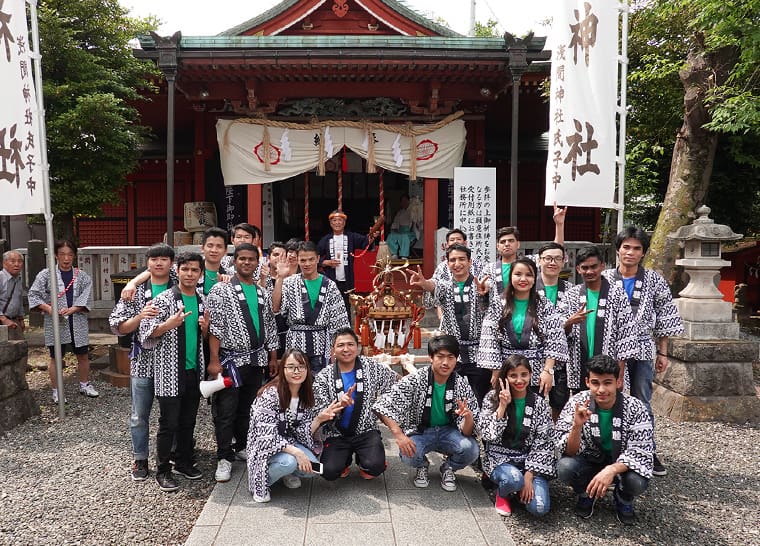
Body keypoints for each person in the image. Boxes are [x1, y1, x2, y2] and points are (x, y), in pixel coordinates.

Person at [602, 226, 684, 476]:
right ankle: (606, 447)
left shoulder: (653, 280)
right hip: (609, 346)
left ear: (643, 253)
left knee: (641, 399)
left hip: (641, 347)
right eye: (626, 247)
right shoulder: (604, 277)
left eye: (636, 248)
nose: (630, 252)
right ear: (618, 250)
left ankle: (646, 450)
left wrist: (663, 352)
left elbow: (665, 315)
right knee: (605, 397)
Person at [206, 243, 279, 483]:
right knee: (226, 409)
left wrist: (273, 356)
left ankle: (242, 447)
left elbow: (269, 326)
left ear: (258, 263)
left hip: (256, 359)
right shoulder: (220, 290)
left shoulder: (262, 292)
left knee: (249, 408)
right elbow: (215, 327)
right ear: (234, 261)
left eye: (251, 259)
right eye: (242, 259)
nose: (247, 263)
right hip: (230, 360)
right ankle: (223, 457)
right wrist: (215, 360)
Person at [139, 252, 209, 492]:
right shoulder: (164, 299)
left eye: (194, 270)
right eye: (185, 269)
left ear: (201, 274)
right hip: (169, 371)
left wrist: (207, 328)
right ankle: (162, 470)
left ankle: (183, 461)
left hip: (193, 368)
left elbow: (206, 337)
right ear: (177, 271)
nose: (189, 274)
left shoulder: (202, 299)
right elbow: (145, 334)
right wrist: (168, 325)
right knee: (168, 422)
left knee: (189, 420)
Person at [555, 354, 654, 525]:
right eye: (595, 383)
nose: (601, 390)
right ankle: (586, 493)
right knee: (564, 467)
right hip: (590, 461)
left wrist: (611, 470)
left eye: (607, 383)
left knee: (637, 481)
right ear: (587, 382)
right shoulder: (577, 402)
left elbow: (641, 451)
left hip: (621, 466)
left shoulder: (635, 407)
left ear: (618, 382)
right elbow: (568, 450)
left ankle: (623, 498)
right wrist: (577, 426)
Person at [373, 334, 480, 492]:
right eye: (440, 357)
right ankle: (422, 465)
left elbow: (467, 431)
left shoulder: (461, 384)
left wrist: (468, 417)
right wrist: (399, 434)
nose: (445, 362)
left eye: (451, 357)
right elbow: (381, 405)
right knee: (408, 453)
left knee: (471, 450)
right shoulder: (416, 379)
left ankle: (448, 467)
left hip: (449, 432)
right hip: (420, 431)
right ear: (431, 357)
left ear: (457, 359)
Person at [108, 243, 175, 481]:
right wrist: (139, 315)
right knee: (139, 413)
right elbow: (118, 326)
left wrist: (133, 280)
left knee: (171, 413)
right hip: (143, 360)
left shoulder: (178, 283)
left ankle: (169, 456)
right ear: (147, 262)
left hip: (172, 359)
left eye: (164, 259)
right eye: (154, 259)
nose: (158, 263)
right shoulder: (135, 292)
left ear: (171, 263)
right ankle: (140, 458)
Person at [246, 349, 343, 503]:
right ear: (282, 369)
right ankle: (262, 479)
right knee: (289, 462)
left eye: (301, 367)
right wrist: (298, 453)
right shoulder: (270, 395)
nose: (296, 371)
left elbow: (301, 432)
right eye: (291, 367)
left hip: (290, 442)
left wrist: (318, 419)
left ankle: (286, 473)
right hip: (264, 447)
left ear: (307, 370)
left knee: (315, 468)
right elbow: (266, 437)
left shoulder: (305, 395)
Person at [409, 244, 492, 405]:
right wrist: (424, 283)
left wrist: (484, 293)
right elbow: (434, 287)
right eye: (452, 260)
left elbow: (489, 306)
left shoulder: (480, 284)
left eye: (462, 259)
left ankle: (476, 429)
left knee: (480, 396)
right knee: (451, 396)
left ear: (470, 262)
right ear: (447, 264)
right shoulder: (446, 285)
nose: (457, 263)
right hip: (452, 353)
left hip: (480, 352)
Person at [313, 328, 398, 481]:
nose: (346, 349)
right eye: (340, 345)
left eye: (350, 344)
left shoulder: (371, 367)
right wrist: (339, 406)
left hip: (366, 431)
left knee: (375, 467)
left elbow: (394, 381)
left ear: (357, 347)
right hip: (336, 434)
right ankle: (343, 462)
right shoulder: (323, 377)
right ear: (333, 349)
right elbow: (319, 410)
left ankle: (363, 460)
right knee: (328, 472)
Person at [477, 258, 569, 399]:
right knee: (506, 408)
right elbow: (489, 337)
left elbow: (555, 338)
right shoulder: (498, 303)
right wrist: (496, 370)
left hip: (536, 370)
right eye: (518, 274)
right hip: (507, 368)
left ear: (535, 278)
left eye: (529, 275)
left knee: (533, 410)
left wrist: (548, 371)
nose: (523, 279)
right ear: (511, 277)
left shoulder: (544, 304)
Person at [478, 355, 555, 517]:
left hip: (529, 462)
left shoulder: (539, 403)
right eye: (513, 375)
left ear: (530, 375)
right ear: (504, 377)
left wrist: (529, 475)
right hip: (500, 459)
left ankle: (520, 487)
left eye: (524, 374)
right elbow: (486, 435)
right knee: (513, 480)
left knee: (539, 508)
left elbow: (544, 443)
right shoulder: (491, 398)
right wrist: (502, 407)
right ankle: (504, 493)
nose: (519, 380)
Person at [558, 245, 638, 395]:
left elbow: (626, 337)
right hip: (579, 366)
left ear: (602, 266)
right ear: (578, 269)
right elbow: (557, 329)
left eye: (594, 266)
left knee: (610, 410)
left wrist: (619, 375)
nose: (589, 271)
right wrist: (569, 322)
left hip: (610, 368)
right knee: (582, 410)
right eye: (585, 268)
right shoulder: (571, 295)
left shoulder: (617, 294)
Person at [28, 240, 99, 403]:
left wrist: (73, 309)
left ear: (74, 256)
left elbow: (87, 296)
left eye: (70, 254)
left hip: (77, 320)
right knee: (56, 357)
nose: (66, 258)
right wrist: (48, 309)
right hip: (55, 321)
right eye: (62, 254)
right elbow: (33, 294)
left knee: (82, 354)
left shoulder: (82, 276)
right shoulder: (45, 275)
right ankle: (56, 391)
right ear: (55, 255)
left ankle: (84, 384)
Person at [273, 240, 350, 373]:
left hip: (321, 344)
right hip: (295, 343)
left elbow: (340, 322)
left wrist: (336, 349)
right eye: (303, 260)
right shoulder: (289, 282)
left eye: (311, 259)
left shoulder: (330, 285)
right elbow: (275, 308)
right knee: (295, 384)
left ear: (318, 259)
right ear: (297, 260)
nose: (307, 264)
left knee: (320, 385)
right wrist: (280, 278)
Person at [481, 203, 567, 299]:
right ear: (497, 246)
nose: (507, 244)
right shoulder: (489, 268)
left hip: (526, 309)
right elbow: (483, 288)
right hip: (499, 311)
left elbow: (554, 251)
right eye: (503, 242)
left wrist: (559, 225)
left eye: (511, 241)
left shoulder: (529, 262)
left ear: (518, 244)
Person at [535, 242, 574, 418]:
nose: (552, 262)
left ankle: (556, 437)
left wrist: (569, 324)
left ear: (564, 261)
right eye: (548, 258)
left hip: (562, 357)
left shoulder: (571, 290)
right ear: (539, 260)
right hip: (534, 355)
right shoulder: (529, 288)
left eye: (557, 258)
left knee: (560, 401)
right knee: (532, 401)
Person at [317, 210, 376, 315]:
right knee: (330, 306)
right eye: (334, 220)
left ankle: (347, 329)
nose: (337, 223)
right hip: (331, 279)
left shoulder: (351, 237)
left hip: (347, 280)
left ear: (344, 223)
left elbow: (365, 242)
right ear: (331, 223)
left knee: (346, 306)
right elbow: (315, 256)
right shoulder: (325, 240)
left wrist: (371, 237)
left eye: (340, 220)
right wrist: (326, 262)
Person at [423, 228, 484, 319]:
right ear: (447, 245)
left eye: (458, 239)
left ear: (465, 243)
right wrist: (439, 308)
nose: (455, 241)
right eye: (452, 240)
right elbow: (436, 288)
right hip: (450, 312)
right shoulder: (441, 267)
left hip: (474, 311)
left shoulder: (478, 265)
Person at [0, 250, 25, 341]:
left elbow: (19, 300)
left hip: (14, 322)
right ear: (4, 263)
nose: (17, 264)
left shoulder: (18, 279)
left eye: (19, 261)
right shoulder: (1, 278)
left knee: (19, 350)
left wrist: (21, 318)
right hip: (3, 320)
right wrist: (3, 319)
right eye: (13, 261)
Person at [386, 194, 416, 259]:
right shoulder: (400, 212)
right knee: (391, 236)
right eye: (402, 201)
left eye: (405, 201)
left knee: (404, 236)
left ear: (409, 201)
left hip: (409, 232)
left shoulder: (413, 210)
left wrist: (412, 227)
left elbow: (414, 221)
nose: (404, 203)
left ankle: (404, 255)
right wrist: (394, 229)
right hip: (400, 231)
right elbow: (395, 222)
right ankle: (393, 254)